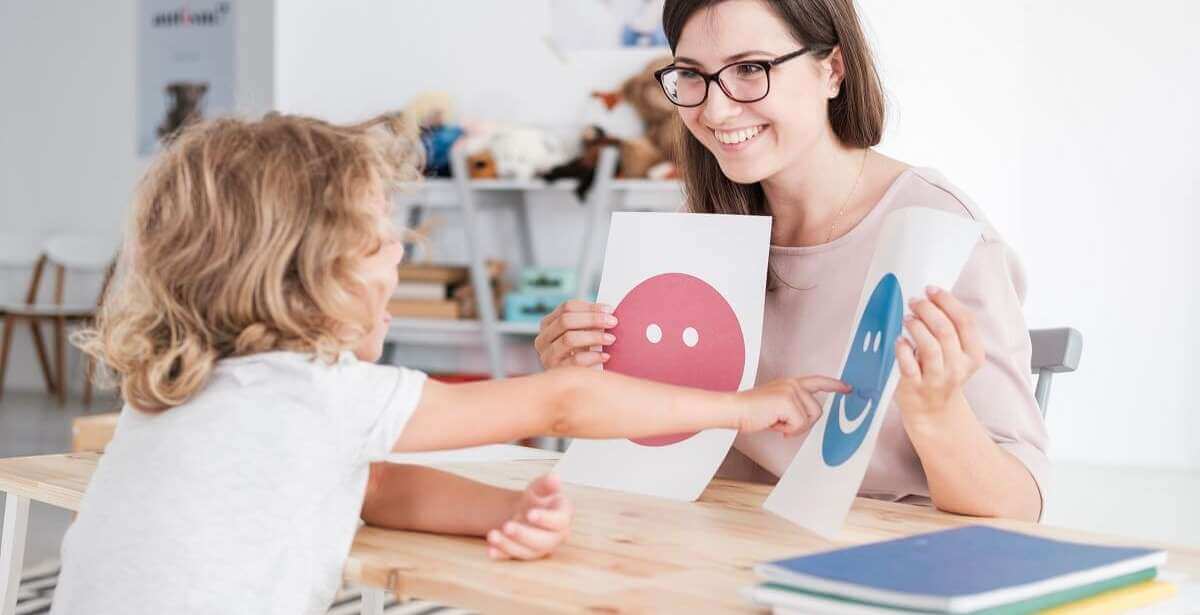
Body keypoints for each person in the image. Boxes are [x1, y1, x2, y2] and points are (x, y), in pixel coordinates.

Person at [51, 112, 846, 614]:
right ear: (302, 274)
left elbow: (374, 484)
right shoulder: (316, 392)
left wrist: (495, 513)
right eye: (375, 241)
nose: (400, 252)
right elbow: (566, 402)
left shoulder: (182, 391)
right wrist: (743, 407)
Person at [535, 0, 1048, 522]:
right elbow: (653, 439)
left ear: (833, 69)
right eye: (692, 75)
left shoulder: (941, 234)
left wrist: (937, 411)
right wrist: (586, 371)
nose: (715, 111)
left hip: (872, 555)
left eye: (750, 69)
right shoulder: (704, 222)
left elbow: (1018, 505)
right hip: (715, 539)